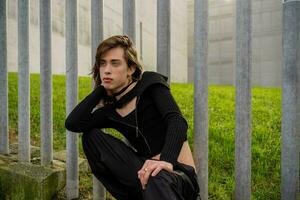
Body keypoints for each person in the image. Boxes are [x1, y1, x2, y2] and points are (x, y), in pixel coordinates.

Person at [65, 35, 200, 200]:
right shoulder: (111, 110)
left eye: (115, 63)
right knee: (91, 138)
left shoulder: (149, 83)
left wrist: (166, 161)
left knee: (155, 174)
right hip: (145, 174)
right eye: (102, 63)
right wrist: (100, 89)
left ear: (131, 69)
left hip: (177, 176)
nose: (107, 70)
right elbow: (73, 123)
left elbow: (177, 121)